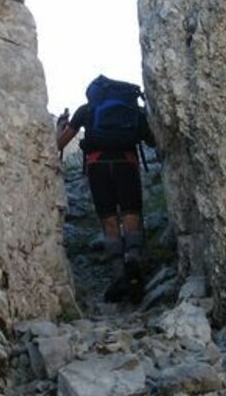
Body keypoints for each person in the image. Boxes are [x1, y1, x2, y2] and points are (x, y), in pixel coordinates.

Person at [56, 76, 156, 302]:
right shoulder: (131, 110)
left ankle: (119, 276)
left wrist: (59, 127)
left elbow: (60, 144)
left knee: (109, 220)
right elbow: (152, 141)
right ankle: (133, 260)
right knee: (131, 215)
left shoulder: (85, 110)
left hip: (98, 167)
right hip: (126, 164)